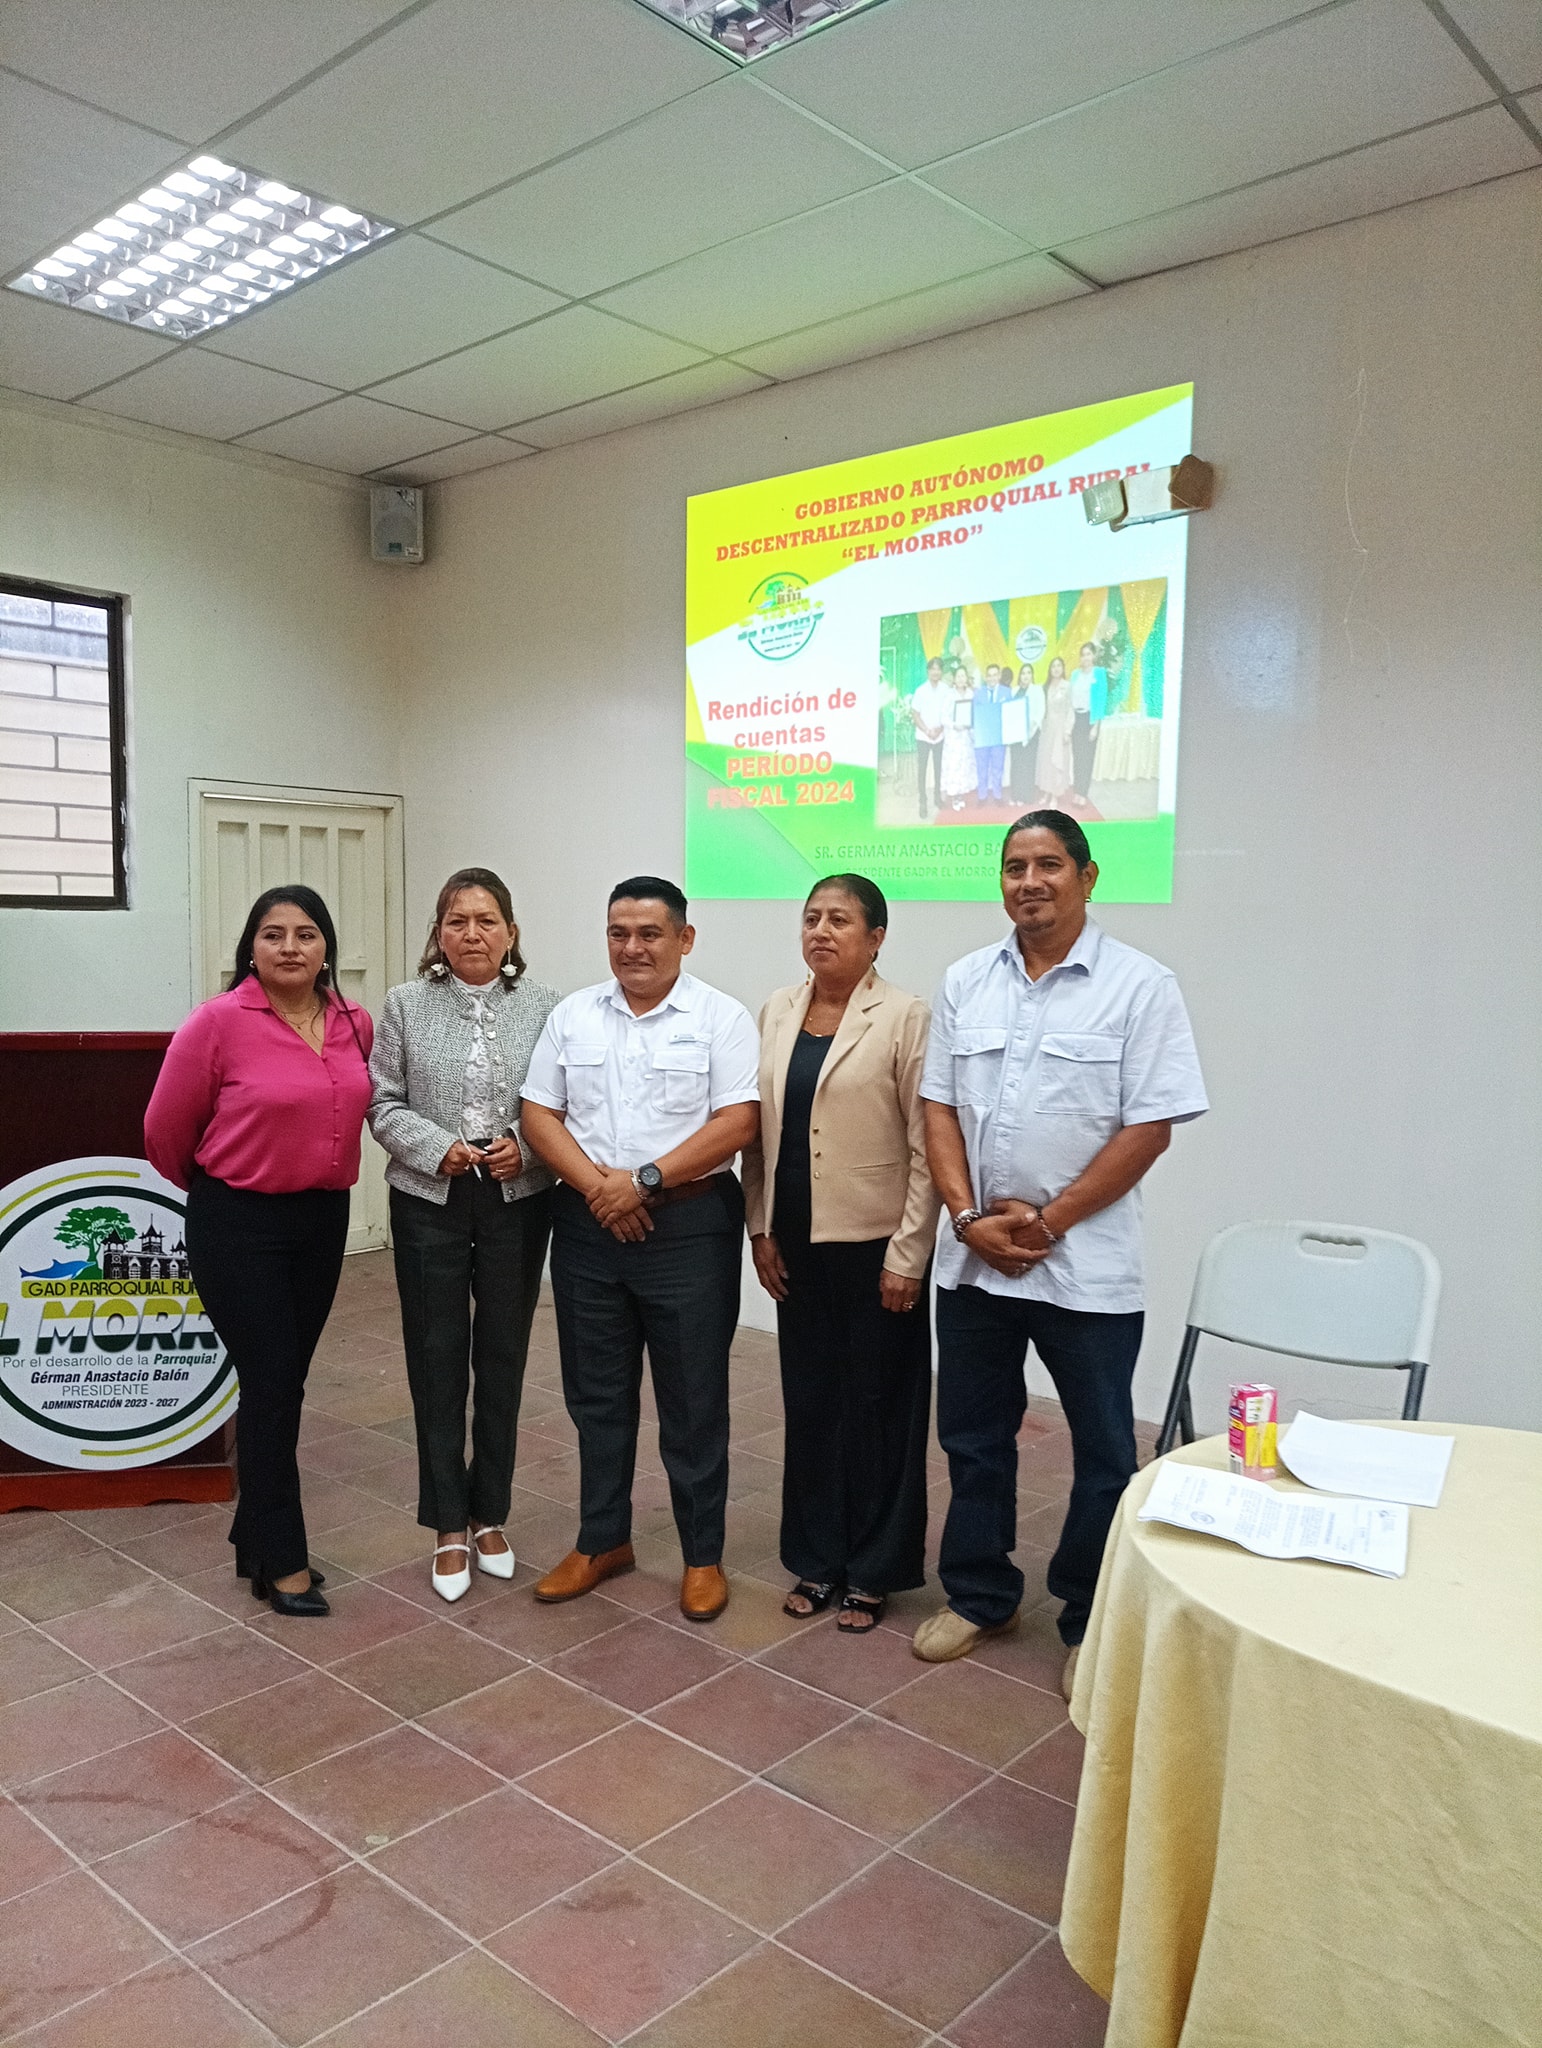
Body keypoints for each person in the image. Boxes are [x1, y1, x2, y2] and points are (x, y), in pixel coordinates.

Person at [913, 812, 1207, 1697]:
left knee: (1106, 1452)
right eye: (1014, 866)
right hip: (976, 1262)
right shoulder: (967, 980)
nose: (1029, 881)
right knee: (972, 1438)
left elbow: (1149, 1128)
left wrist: (1047, 1223)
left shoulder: (1141, 987)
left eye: (1048, 864)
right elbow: (938, 1107)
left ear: (1087, 876)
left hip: (1088, 1269)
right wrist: (968, 1218)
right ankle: (980, 1594)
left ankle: (1088, 1617)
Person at [520, 878, 760, 1623]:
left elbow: (738, 1121)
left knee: (693, 1399)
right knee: (595, 1394)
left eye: (650, 933)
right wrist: (604, 1190)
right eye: (618, 933)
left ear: (684, 939)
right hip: (589, 1225)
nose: (632, 948)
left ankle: (701, 1556)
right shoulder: (573, 1014)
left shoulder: (721, 1017)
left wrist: (644, 1182)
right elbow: (538, 1112)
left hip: (688, 1227)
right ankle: (603, 1540)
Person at [144, 887, 374, 1617]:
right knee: (273, 1384)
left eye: (306, 934)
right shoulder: (216, 1022)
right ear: (251, 947)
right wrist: (224, 1187)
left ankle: (255, 1539)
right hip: (238, 1222)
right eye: (273, 934)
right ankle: (285, 1559)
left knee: (284, 1382)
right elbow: (164, 1132)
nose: (290, 947)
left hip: (322, 1220)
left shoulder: (354, 1022)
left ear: (326, 947)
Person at [743, 874, 939, 1633]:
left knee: (880, 1408)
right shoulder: (778, 1008)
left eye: (839, 920)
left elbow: (927, 1145)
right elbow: (757, 1136)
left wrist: (908, 1254)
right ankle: (817, 1556)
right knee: (813, 1403)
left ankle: (875, 1568)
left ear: (876, 937)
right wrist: (760, 1229)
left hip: (876, 1249)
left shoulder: (905, 1016)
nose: (821, 931)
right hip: (796, 1243)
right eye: (811, 918)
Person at [369, 867, 559, 1602]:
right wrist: (435, 1147)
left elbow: (565, 1100)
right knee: (437, 1356)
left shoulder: (547, 1007)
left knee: (504, 1356)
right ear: (438, 934)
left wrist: (527, 1146)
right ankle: (449, 1522)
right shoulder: (404, 1004)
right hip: (430, 1198)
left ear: (511, 932)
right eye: (457, 921)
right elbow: (382, 1101)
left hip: (518, 1200)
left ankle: (490, 1515)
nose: (472, 934)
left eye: (486, 921)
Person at [1070, 641, 1110, 804]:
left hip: (1091, 719)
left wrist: (1096, 726)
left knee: (1087, 758)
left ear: (1093, 656)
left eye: (1088, 654)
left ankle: (1083, 794)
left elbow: (1101, 700)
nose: (1085, 658)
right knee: (1077, 757)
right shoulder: (1075, 675)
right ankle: (1076, 791)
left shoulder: (1099, 673)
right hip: (1076, 719)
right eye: (1083, 655)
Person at [909, 657, 948, 819]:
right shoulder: (920, 691)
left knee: (939, 768)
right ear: (928, 671)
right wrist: (927, 730)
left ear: (941, 672)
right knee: (922, 770)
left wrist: (940, 729)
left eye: (938, 669)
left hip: (940, 735)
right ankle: (923, 802)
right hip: (923, 737)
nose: (935, 672)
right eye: (933, 669)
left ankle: (937, 798)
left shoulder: (946, 689)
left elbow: (948, 712)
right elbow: (915, 714)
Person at [1035, 656, 1075, 807]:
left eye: (1059, 666)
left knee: (1058, 761)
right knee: (1046, 762)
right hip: (1047, 730)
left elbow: (1070, 709)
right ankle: (1046, 792)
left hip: (1061, 729)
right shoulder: (1046, 686)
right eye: (1053, 666)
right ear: (1050, 670)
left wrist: (1067, 731)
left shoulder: (1067, 686)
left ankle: (1055, 796)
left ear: (1063, 668)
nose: (1056, 669)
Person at [972, 663, 1011, 806]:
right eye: (989, 675)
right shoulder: (978, 693)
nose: (992, 678)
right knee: (981, 767)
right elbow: (973, 714)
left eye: (995, 675)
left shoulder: (1007, 692)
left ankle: (997, 795)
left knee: (998, 767)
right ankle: (982, 796)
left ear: (999, 676)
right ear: (985, 677)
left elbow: (1010, 714)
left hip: (999, 737)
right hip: (982, 737)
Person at [941, 665, 977, 811]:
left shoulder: (971, 694)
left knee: (964, 766)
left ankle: (961, 795)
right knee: (954, 766)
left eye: (963, 676)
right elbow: (943, 717)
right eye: (958, 676)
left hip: (966, 737)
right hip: (954, 737)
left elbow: (974, 714)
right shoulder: (949, 695)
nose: (961, 679)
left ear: (966, 678)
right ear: (954, 679)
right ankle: (955, 796)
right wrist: (954, 725)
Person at [1008, 663, 1045, 805]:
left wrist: (1030, 728)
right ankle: (1015, 795)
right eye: (1023, 673)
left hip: (1031, 734)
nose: (1026, 676)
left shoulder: (1037, 690)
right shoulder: (1014, 690)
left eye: (1029, 673)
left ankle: (1026, 796)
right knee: (1016, 764)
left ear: (1032, 675)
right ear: (1020, 676)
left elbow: (1040, 711)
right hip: (1016, 734)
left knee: (1028, 765)